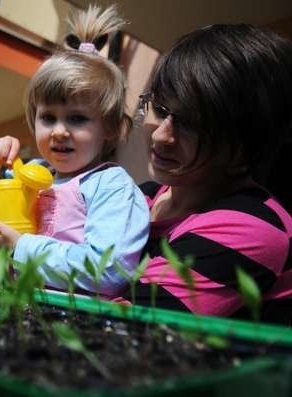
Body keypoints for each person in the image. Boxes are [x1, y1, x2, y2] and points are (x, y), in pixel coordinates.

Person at [0, 5, 149, 297]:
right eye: (48, 117)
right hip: (15, 305)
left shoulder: (110, 185)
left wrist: (21, 246)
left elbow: (108, 271)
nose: (59, 131)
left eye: (77, 118)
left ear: (110, 128)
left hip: (72, 320)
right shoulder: (34, 172)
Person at [126, 23, 292, 323]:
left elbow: (120, 328)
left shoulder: (250, 228)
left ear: (245, 144)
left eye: (192, 124)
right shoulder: (142, 197)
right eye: (161, 110)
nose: (162, 136)